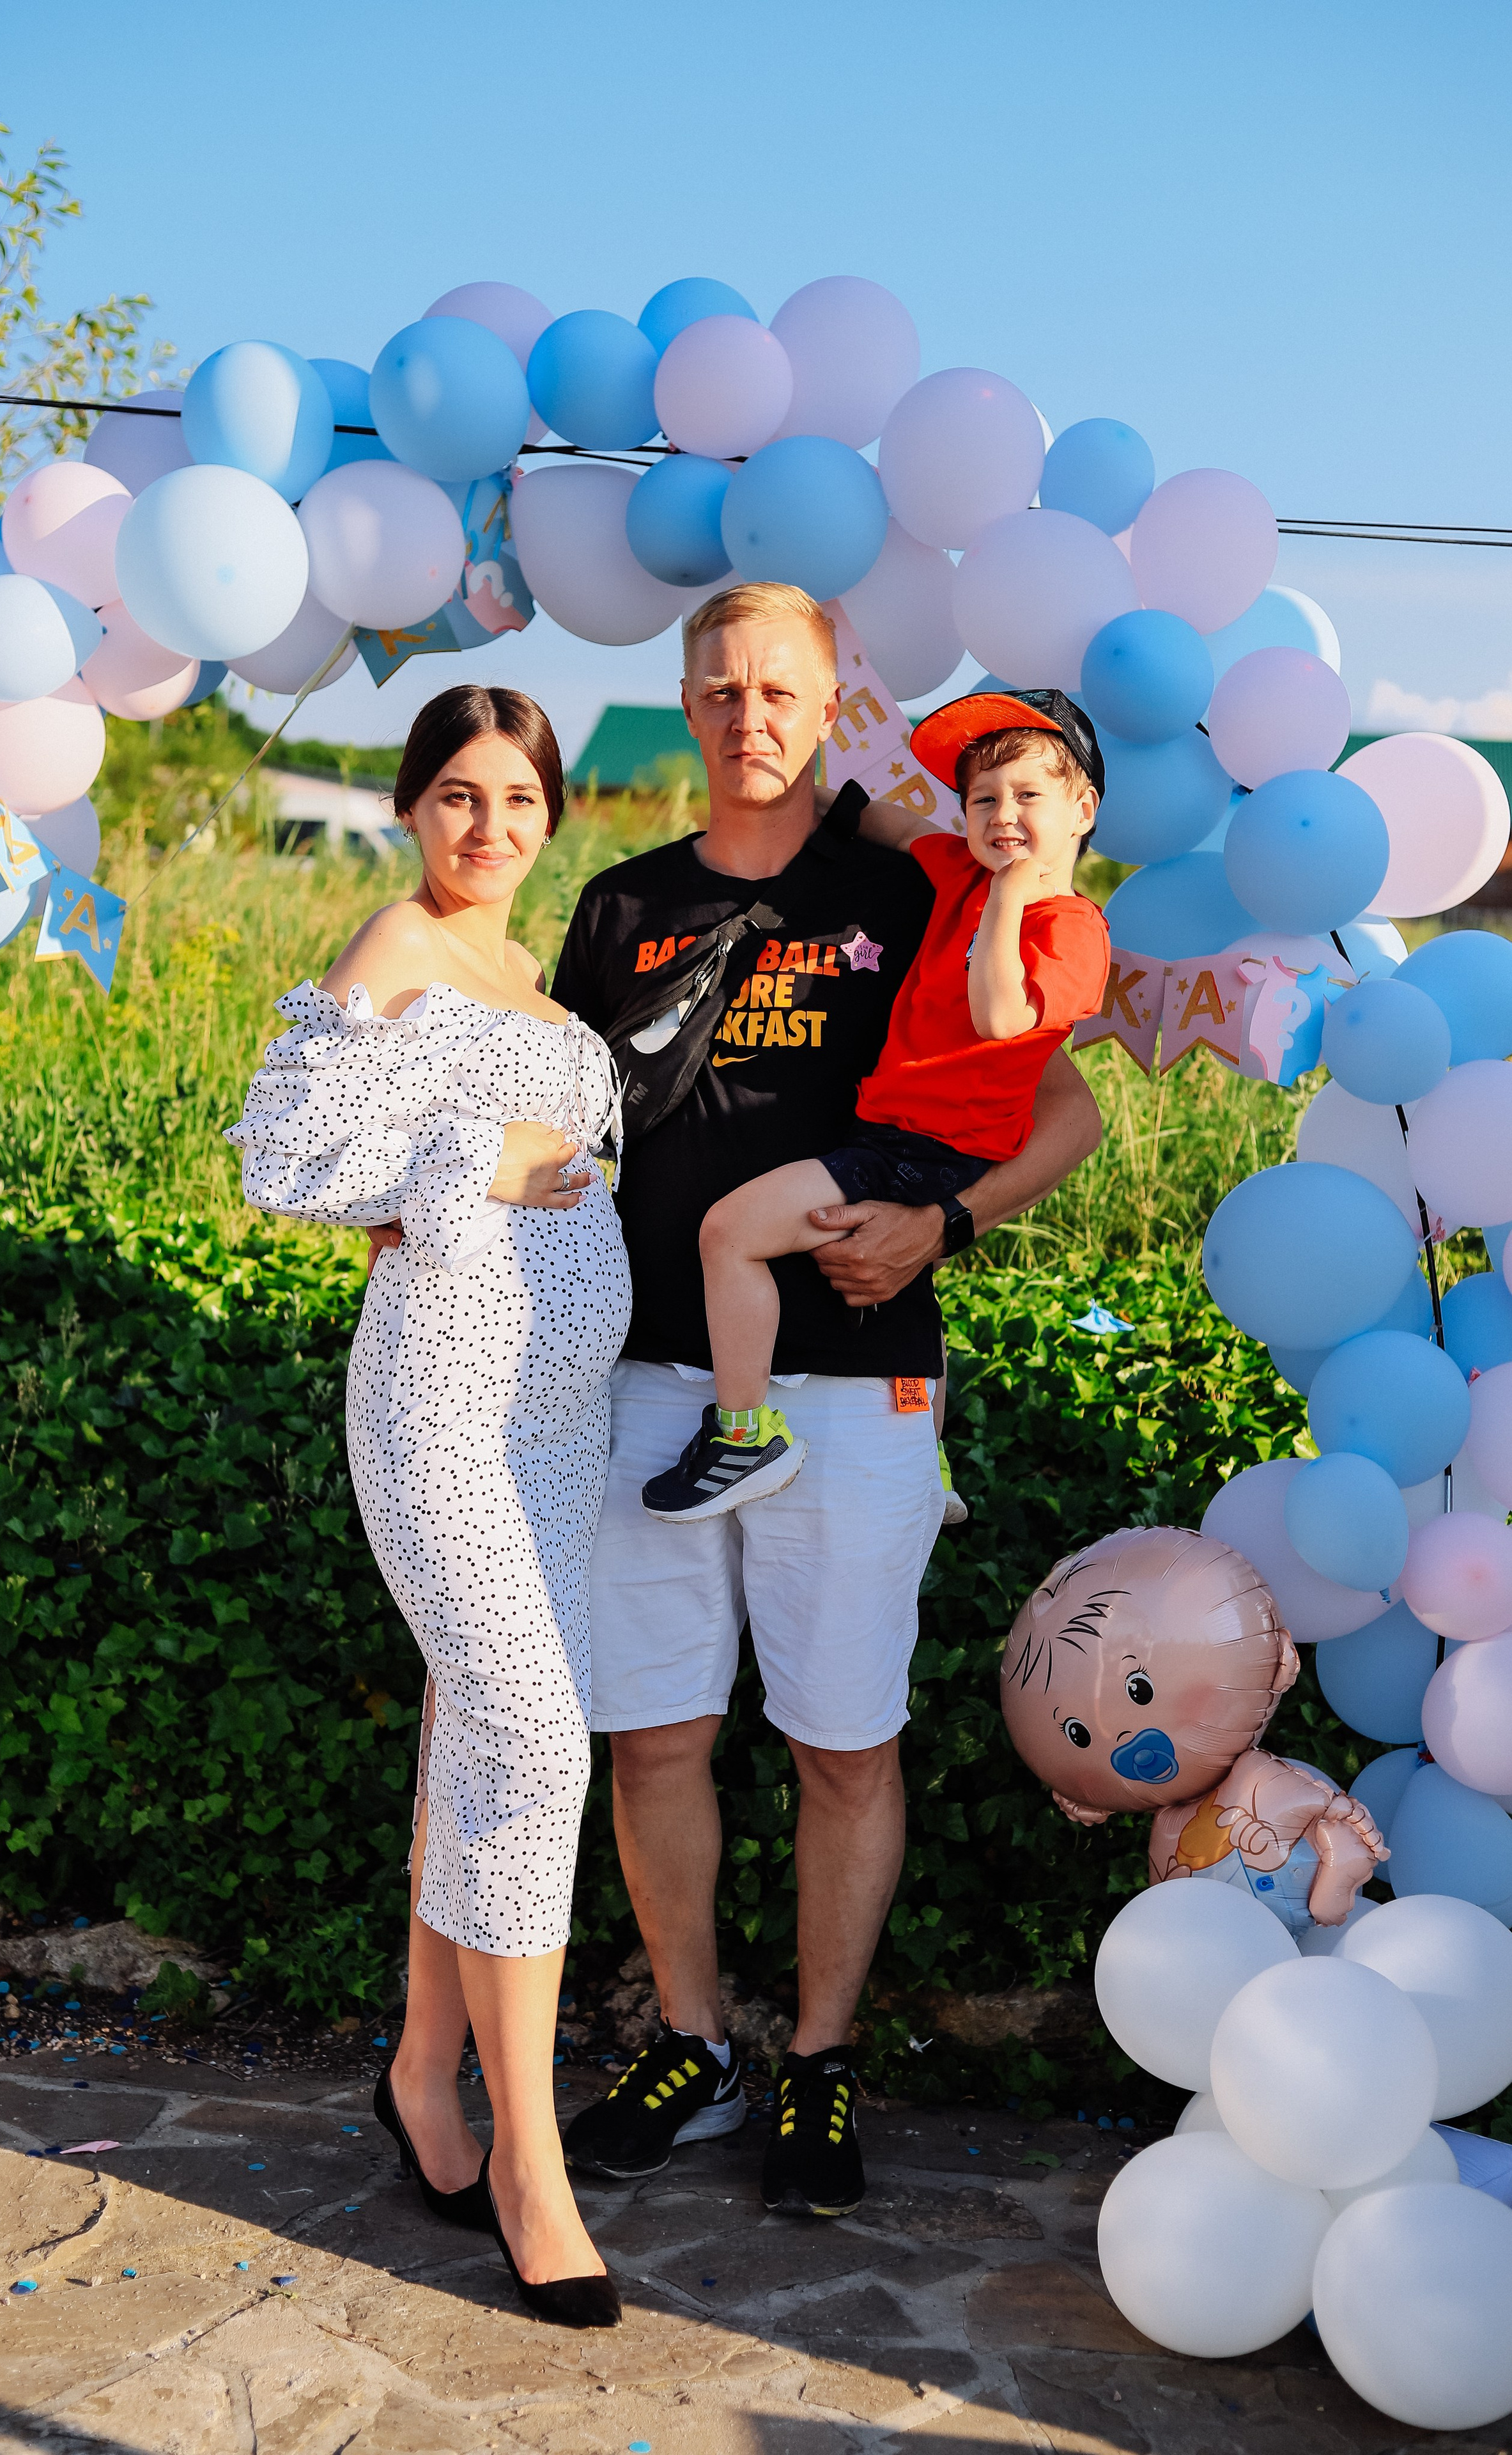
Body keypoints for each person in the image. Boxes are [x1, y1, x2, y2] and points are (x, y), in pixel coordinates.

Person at [551, 584, 1103, 2217]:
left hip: (859, 1382)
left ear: (824, 701)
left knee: (841, 1743)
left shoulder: (910, 885)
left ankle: (818, 2058)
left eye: (778, 688)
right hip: (655, 1376)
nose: (748, 714)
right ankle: (692, 2043)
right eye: (719, 688)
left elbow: (1060, 1110)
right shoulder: (622, 902)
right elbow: (552, 1120)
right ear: (686, 701)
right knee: (656, 1738)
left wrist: (948, 1223)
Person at [225, 684, 629, 2330]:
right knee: (538, 1746)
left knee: (479, 1734)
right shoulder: (394, 942)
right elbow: (280, 1158)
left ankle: (419, 2070)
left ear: (549, 817)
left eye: (519, 799)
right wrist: (476, 1162)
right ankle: (533, 2163)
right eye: (459, 794)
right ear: (409, 807)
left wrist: (529, 1169)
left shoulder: (531, 976)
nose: (489, 826)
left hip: (561, 1421)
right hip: (442, 1403)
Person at [640, 688, 1109, 1521]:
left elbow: (1001, 1017)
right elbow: (893, 825)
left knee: (731, 1233)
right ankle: (930, 1463)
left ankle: (743, 1434)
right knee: (888, 1291)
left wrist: (1008, 898)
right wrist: (796, 791)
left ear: (1083, 810)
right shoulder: (959, 870)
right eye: (983, 799)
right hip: (903, 1133)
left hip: (931, 1147)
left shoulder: (1070, 926)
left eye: (1028, 795)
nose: (1003, 815)